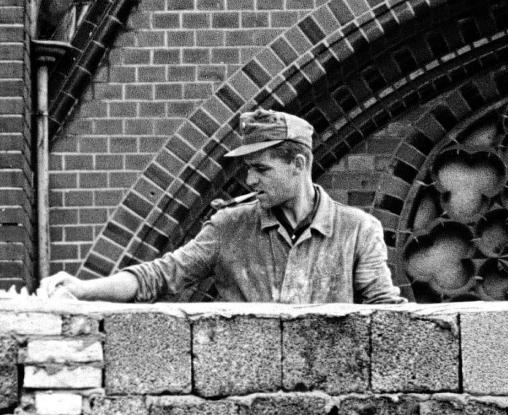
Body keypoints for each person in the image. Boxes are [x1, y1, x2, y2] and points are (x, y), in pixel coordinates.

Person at [39, 109, 406, 304]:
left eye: (262, 169)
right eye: (248, 170)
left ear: (299, 165)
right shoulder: (229, 226)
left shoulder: (357, 230)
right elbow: (160, 276)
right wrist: (83, 289)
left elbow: (384, 313)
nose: (250, 181)